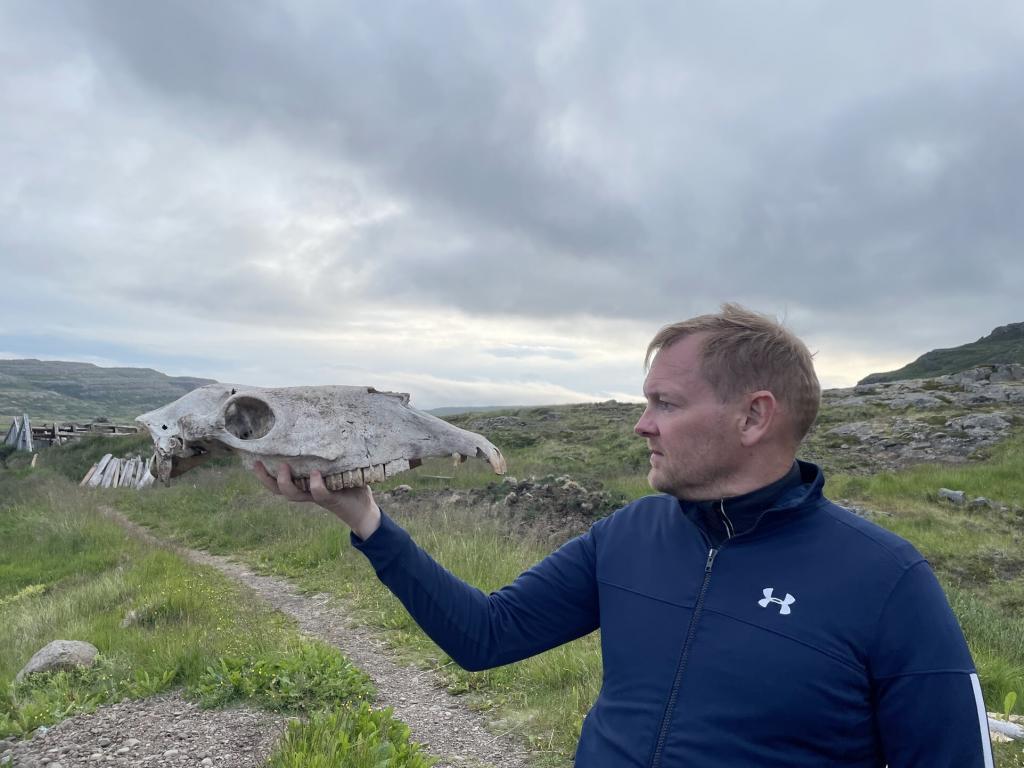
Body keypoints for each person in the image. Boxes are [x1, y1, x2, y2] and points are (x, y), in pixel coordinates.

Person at [256, 303, 993, 767]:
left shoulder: (887, 582)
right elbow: (485, 637)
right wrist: (365, 521)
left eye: (665, 404)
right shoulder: (630, 533)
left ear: (753, 416)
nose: (641, 424)